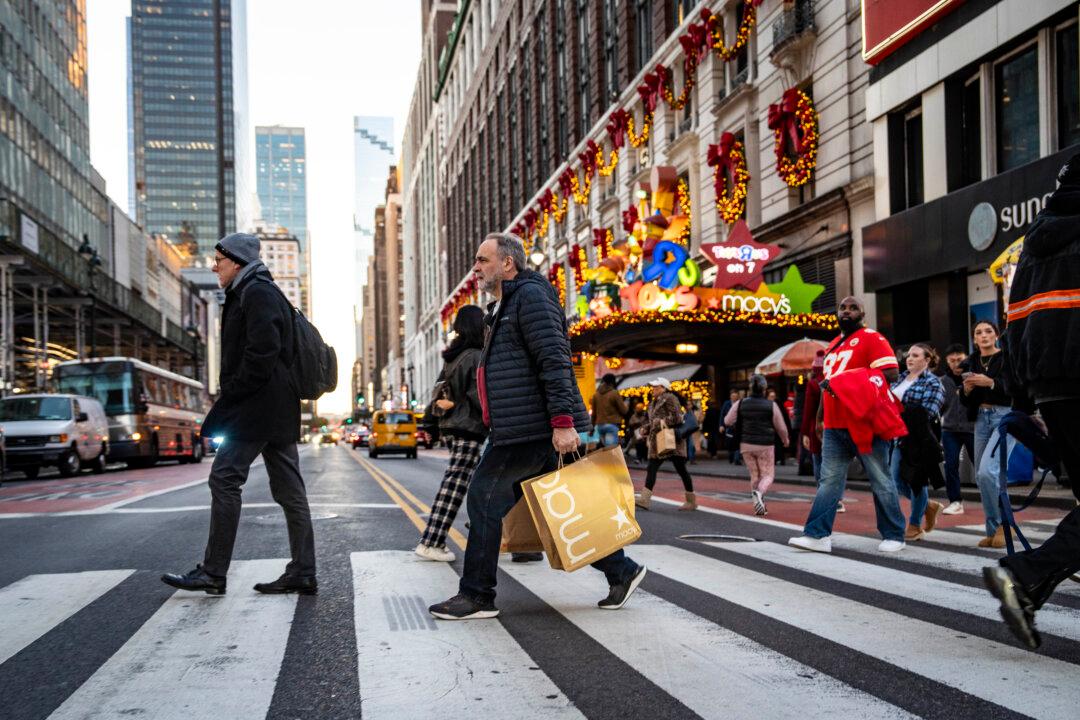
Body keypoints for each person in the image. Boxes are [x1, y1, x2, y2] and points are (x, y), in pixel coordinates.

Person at [428, 234, 646, 620]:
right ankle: (622, 570)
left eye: (482, 260)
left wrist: (563, 423)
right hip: (524, 426)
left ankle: (477, 595)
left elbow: (555, 361)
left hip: (531, 427)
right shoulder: (508, 302)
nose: (475, 268)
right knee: (565, 506)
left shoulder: (530, 297)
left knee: (483, 499)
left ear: (507, 264)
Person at [162, 233, 316, 596]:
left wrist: (232, 394)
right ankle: (303, 571)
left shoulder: (257, 292)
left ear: (238, 260)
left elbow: (263, 352)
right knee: (289, 490)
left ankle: (214, 572)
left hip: (257, 407)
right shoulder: (256, 290)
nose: (214, 266)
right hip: (275, 407)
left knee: (224, 478)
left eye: (219, 259)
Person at [983, 153, 1080, 649]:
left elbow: (1014, 322)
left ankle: (1029, 584)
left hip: (1052, 391)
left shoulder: (1032, 248)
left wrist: (1024, 399)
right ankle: (1027, 574)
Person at [788, 296, 907, 554]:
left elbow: (891, 373)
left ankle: (894, 533)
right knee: (828, 480)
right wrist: (820, 418)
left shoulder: (872, 338)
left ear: (862, 314)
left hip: (865, 421)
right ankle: (818, 535)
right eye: (843, 307)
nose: (847, 311)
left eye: (854, 308)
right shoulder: (832, 346)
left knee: (880, 479)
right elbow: (826, 385)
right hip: (834, 423)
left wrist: (848, 380)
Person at [415, 305, 488, 563]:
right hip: (469, 426)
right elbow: (480, 398)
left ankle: (485, 533)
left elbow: (438, 392)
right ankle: (432, 541)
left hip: (452, 425)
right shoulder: (476, 356)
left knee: (467, 482)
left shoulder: (453, 357)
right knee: (455, 485)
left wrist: (431, 424)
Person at [960, 320, 1015, 548]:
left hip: (1004, 416)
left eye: (988, 331)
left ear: (996, 335)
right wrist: (966, 390)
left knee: (987, 471)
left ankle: (1005, 525)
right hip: (980, 419)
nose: (983, 336)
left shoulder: (1007, 358)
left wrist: (991, 383)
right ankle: (994, 530)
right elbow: (964, 401)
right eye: (978, 333)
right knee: (986, 479)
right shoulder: (971, 361)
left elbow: (1015, 387)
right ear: (974, 339)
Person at [888, 344, 946, 541]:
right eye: (908, 355)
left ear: (927, 360)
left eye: (915, 355)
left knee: (916, 480)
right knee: (895, 479)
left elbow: (928, 411)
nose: (909, 359)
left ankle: (914, 524)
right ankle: (928, 505)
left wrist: (902, 412)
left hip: (918, 439)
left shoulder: (933, 382)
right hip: (897, 437)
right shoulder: (899, 378)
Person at [725, 374, 789, 516]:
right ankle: (759, 493)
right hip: (765, 445)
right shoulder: (771, 405)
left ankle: (758, 505)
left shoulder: (740, 403)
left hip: (746, 445)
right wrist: (785, 440)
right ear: (764, 388)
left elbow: (728, 420)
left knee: (754, 474)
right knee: (768, 475)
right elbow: (781, 427)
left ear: (750, 388)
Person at [635, 378, 697, 512]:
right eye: (653, 387)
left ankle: (691, 501)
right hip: (658, 441)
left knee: (681, 469)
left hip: (672, 440)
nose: (653, 389)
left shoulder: (670, 398)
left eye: (656, 387)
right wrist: (645, 428)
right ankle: (644, 499)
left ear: (664, 388)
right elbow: (651, 421)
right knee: (651, 467)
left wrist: (658, 422)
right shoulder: (652, 403)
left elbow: (678, 417)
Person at [938, 343, 974, 515]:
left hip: (972, 427)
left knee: (981, 466)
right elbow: (939, 406)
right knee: (950, 465)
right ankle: (955, 501)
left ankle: (994, 499)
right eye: (952, 361)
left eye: (959, 359)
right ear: (947, 361)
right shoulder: (942, 381)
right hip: (950, 429)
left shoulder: (974, 377)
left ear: (966, 357)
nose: (956, 364)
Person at [592, 373, 628, 448]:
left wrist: (592, 428)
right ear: (612, 382)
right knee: (611, 450)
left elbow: (593, 414)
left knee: (606, 450)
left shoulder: (596, 395)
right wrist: (626, 404)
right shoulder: (614, 393)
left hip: (600, 426)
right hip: (611, 425)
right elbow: (624, 410)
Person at [767, 388, 792, 466]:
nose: (772, 398)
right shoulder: (767, 404)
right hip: (770, 428)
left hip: (776, 428)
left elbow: (784, 417)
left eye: (773, 396)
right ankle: (777, 459)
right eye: (771, 396)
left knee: (778, 444)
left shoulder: (778, 404)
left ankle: (780, 459)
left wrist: (787, 429)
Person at [719, 389, 742, 464]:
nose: (734, 397)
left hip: (738, 427)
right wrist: (721, 425)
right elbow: (722, 415)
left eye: (735, 396)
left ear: (738, 396)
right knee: (730, 442)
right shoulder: (727, 404)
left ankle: (737, 459)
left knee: (738, 442)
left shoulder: (740, 403)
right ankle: (731, 456)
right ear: (730, 396)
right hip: (729, 426)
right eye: (732, 396)